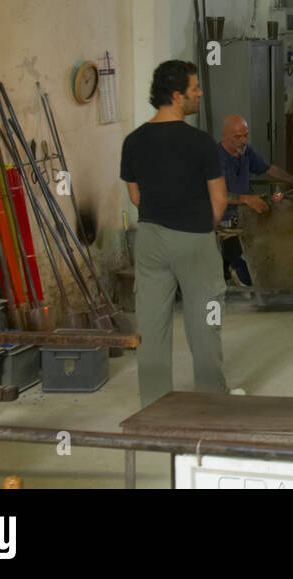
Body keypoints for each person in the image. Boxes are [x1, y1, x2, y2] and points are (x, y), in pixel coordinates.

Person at [120, 60, 229, 407]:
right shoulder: (200, 143)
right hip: (194, 239)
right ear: (178, 96)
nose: (199, 94)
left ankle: (153, 405)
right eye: (195, 89)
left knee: (152, 327)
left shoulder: (133, 141)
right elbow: (219, 199)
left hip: (150, 239)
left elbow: (136, 196)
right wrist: (199, 226)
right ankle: (212, 400)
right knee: (205, 322)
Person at [218, 114, 293, 287]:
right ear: (225, 136)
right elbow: (218, 195)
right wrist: (246, 199)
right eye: (238, 137)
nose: (243, 140)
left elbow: (269, 169)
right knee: (244, 265)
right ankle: (236, 267)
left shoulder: (246, 152)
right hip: (224, 216)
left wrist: (292, 180)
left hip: (245, 213)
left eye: (246, 135)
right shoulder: (216, 158)